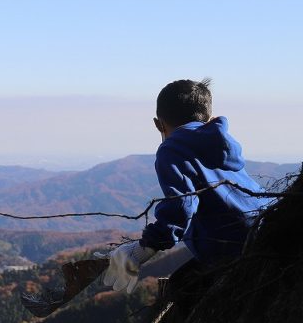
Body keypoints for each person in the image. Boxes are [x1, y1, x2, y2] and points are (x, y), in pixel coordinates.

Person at [104, 79, 273, 307]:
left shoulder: (171, 149)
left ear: (158, 124)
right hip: (265, 228)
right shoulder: (225, 145)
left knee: (181, 291)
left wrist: (145, 248)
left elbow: (181, 205)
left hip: (230, 248)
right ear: (211, 119)